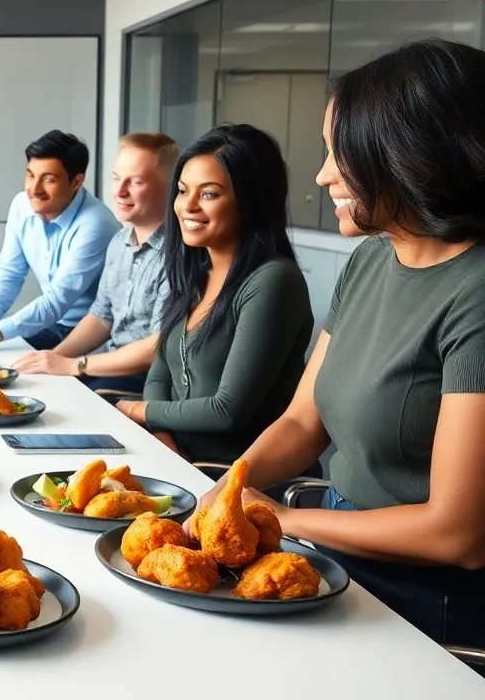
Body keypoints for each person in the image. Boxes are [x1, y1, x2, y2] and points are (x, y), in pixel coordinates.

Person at [188, 39, 485, 648]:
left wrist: (286, 519)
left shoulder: (475, 292)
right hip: (336, 548)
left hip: (428, 599)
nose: (323, 175)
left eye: (340, 155)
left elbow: (458, 533)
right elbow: (303, 420)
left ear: (410, 156)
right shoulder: (371, 259)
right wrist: (233, 486)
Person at [114, 124, 313, 464]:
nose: (187, 206)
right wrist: (161, 436)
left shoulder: (273, 281)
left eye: (209, 194)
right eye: (182, 190)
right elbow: (159, 375)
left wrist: (136, 410)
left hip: (235, 484)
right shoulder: (192, 274)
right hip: (176, 462)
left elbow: (226, 411)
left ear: (251, 200)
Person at [14, 133, 178, 394]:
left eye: (134, 182)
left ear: (170, 186)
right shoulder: (120, 241)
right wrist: (53, 360)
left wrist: (75, 365)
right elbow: (102, 316)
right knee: (33, 384)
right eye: (116, 178)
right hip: (109, 369)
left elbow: (154, 349)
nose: (120, 191)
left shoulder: (178, 254)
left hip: (148, 382)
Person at [0, 130, 120, 348]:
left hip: (91, 335)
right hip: (51, 324)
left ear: (76, 182)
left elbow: (59, 298)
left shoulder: (96, 224)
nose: (34, 189)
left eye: (48, 179)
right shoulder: (21, 205)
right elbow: (10, 271)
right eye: (30, 175)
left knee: (19, 372)